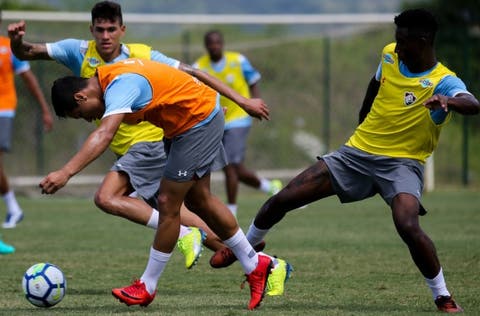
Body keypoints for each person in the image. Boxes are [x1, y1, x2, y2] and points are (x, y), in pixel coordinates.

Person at [213, 9, 479, 313]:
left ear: (424, 40)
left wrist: (448, 101)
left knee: (407, 224)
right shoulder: (391, 54)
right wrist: (362, 120)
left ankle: (442, 295)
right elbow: (375, 84)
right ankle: (245, 249)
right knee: (284, 197)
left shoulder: (442, 80)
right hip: (356, 154)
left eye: (404, 42)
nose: (398, 47)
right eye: (397, 40)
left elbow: (472, 103)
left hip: (402, 165)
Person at [44, 58, 288, 310]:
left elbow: (104, 134)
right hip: (192, 121)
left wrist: (65, 172)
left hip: (196, 122)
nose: (87, 119)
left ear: (81, 97)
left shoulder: (119, 87)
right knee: (199, 200)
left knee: (167, 203)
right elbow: (179, 78)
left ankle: (147, 286)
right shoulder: (110, 76)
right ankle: (256, 264)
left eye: (80, 115)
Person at [7, 1, 229, 268]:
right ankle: (245, 253)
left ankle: (194, 240)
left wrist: (208, 107)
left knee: (107, 197)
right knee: (176, 207)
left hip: (150, 142)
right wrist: (17, 42)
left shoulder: (140, 54)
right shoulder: (78, 52)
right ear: (91, 30)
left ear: (122, 29)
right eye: (100, 30)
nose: (105, 36)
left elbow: (185, 75)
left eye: (111, 29)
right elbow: (29, 52)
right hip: (133, 149)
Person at [193, 30, 282, 218]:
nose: (214, 46)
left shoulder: (238, 60)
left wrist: (257, 104)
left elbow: (253, 81)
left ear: (222, 44)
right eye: (211, 43)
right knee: (234, 168)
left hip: (239, 118)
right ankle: (270, 186)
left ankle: (231, 210)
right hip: (215, 120)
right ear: (206, 46)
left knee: (231, 165)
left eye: (217, 43)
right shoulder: (199, 66)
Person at [0, 10, 53, 232]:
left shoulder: (7, 48)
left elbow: (29, 80)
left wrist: (44, 110)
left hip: (3, 110)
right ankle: (14, 208)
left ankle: (13, 207)